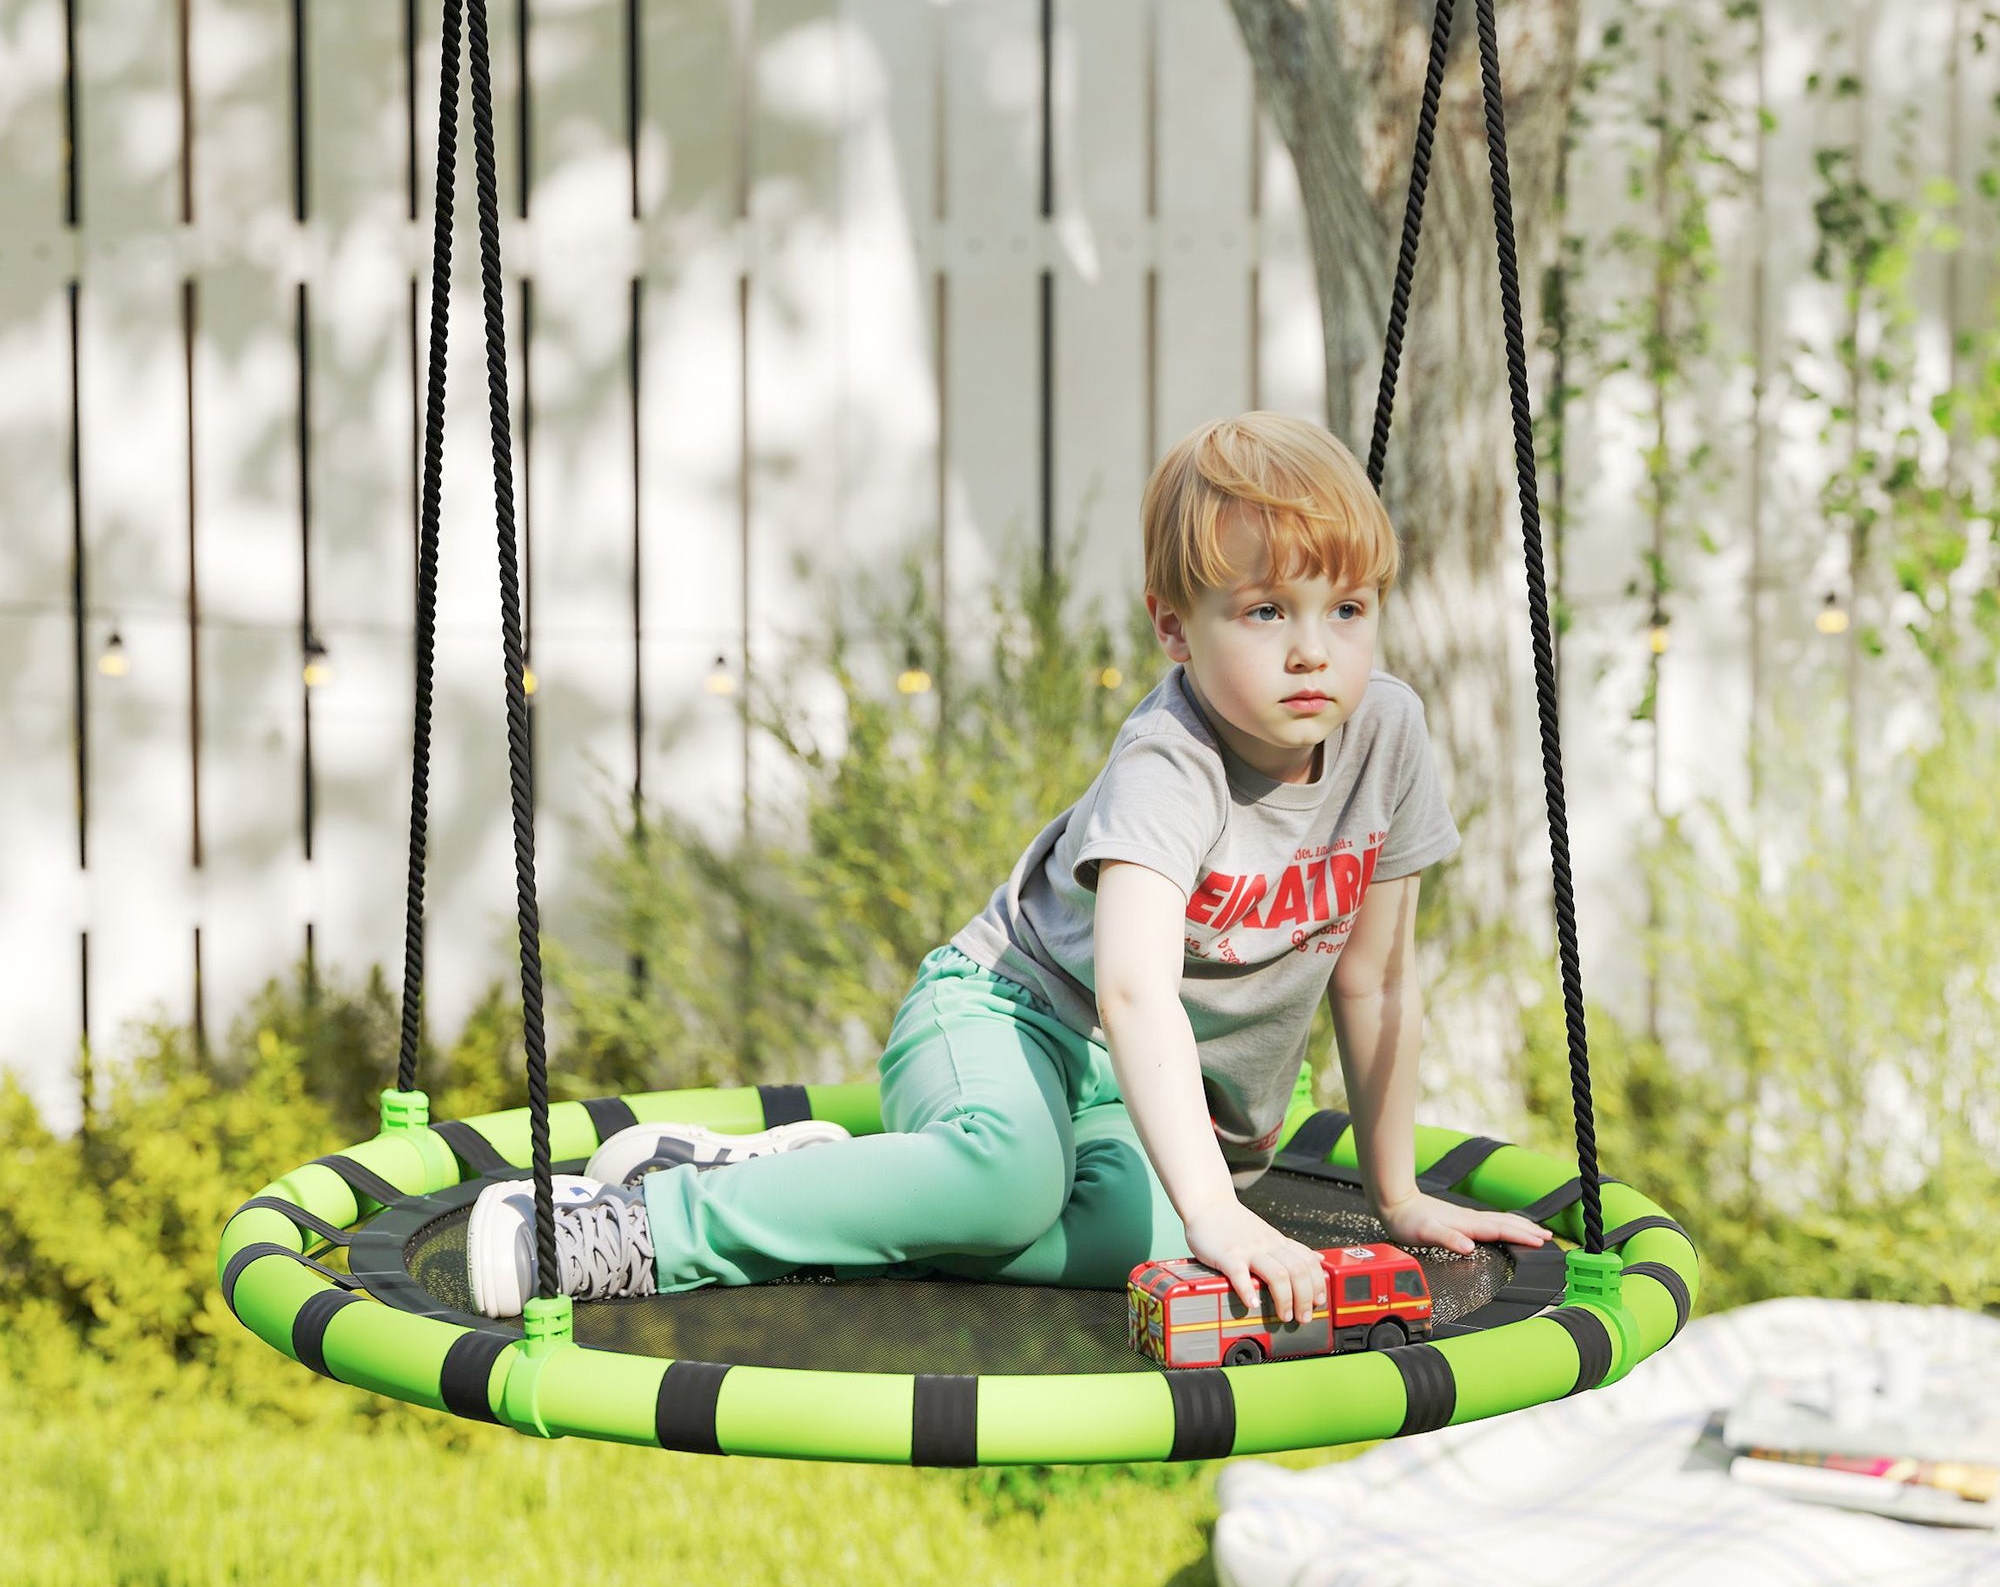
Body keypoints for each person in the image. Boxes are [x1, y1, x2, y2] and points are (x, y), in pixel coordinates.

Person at [467, 412, 1547, 1324]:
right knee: (1008, 1182)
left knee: (1152, 1238)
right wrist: (1221, 1207)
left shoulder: (1387, 733)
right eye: (1266, 611)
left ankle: (800, 1189)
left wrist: (1396, 1193)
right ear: (1174, 628)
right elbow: (1130, 992)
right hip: (1010, 1015)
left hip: (1140, 1093)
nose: (1313, 649)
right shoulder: (1169, 764)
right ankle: (639, 1226)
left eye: (1346, 609)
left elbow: (1376, 979)